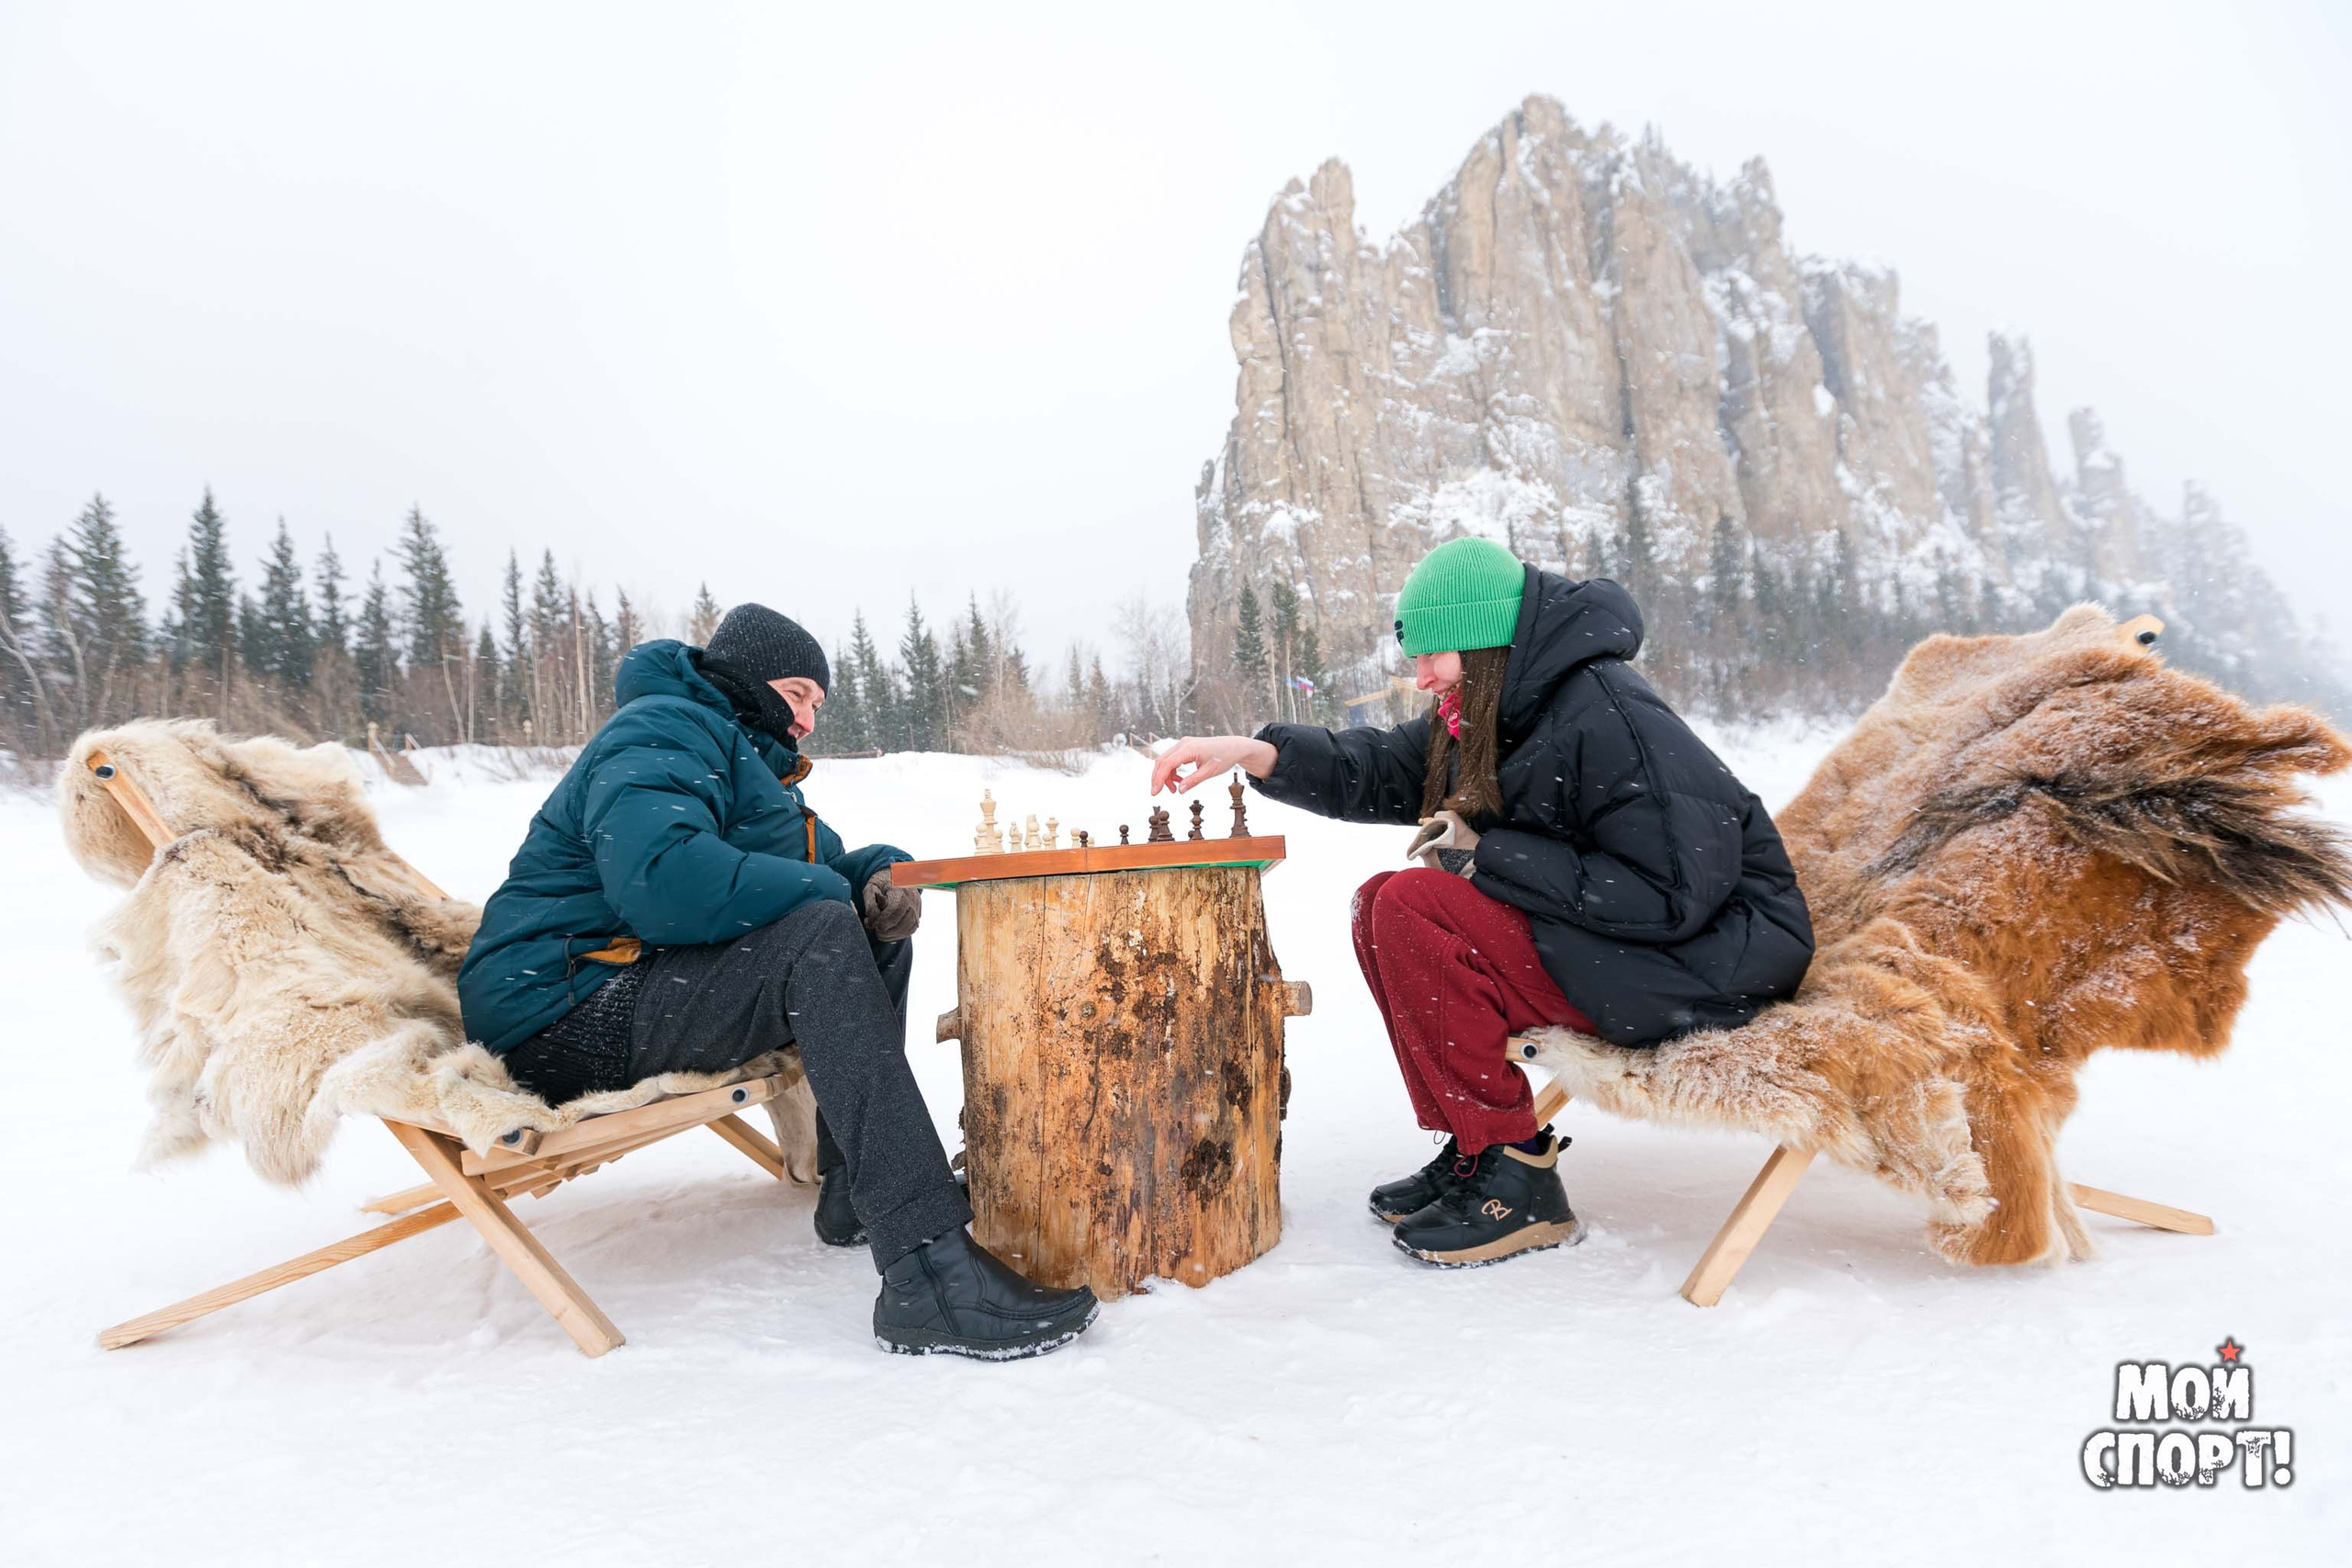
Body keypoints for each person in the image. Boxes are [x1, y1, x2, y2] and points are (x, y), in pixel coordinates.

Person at [458, 603, 1098, 1359]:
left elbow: (827, 863)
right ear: (746, 675)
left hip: (624, 987)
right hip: (560, 1013)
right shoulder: (659, 729)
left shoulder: (750, 765)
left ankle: (855, 1189)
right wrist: (834, 896)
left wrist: (881, 874)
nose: (808, 721)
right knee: (824, 933)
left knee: (863, 928)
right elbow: (661, 883)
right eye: (799, 694)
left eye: (818, 704)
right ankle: (928, 1275)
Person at [1151, 538, 1815, 1267]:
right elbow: (1376, 767)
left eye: (1436, 654)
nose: (1421, 676)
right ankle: (1477, 1151)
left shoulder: (1611, 717)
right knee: (1380, 902)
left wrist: (1487, 856)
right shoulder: (1498, 709)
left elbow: (1668, 892)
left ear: (1489, 639)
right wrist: (1256, 753)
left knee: (1413, 904)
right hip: (1645, 948)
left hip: (1706, 963)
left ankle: (1517, 1174)